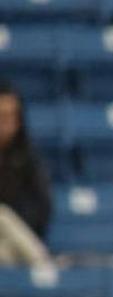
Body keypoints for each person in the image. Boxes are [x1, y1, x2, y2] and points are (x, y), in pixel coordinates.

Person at [0, 80, 52, 267]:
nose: (6, 124)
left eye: (11, 117)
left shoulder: (28, 159)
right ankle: (45, 267)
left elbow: (41, 209)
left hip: (19, 242)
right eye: (1, 116)